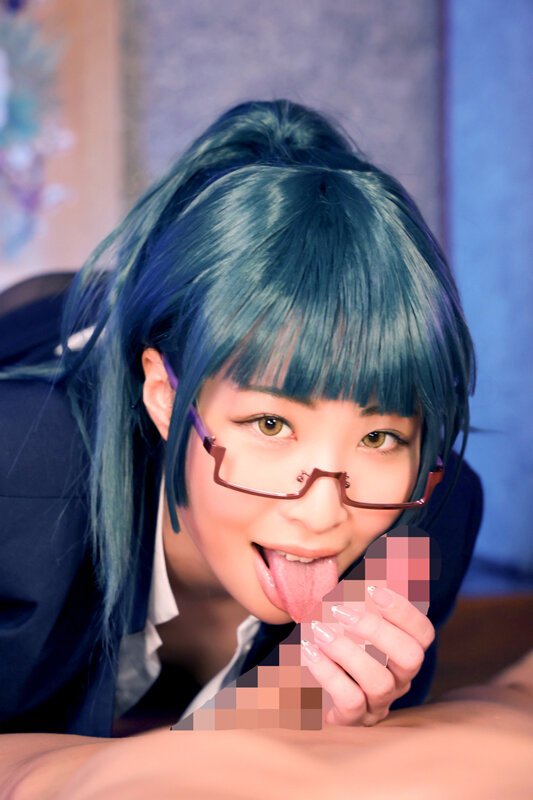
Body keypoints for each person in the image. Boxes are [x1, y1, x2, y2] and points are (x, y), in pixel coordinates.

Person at [0, 99, 481, 755]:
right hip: (41, 329)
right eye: (271, 423)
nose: (322, 515)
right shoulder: (22, 480)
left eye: (378, 437)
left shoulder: (428, 510)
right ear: (165, 397)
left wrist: (300, 714)